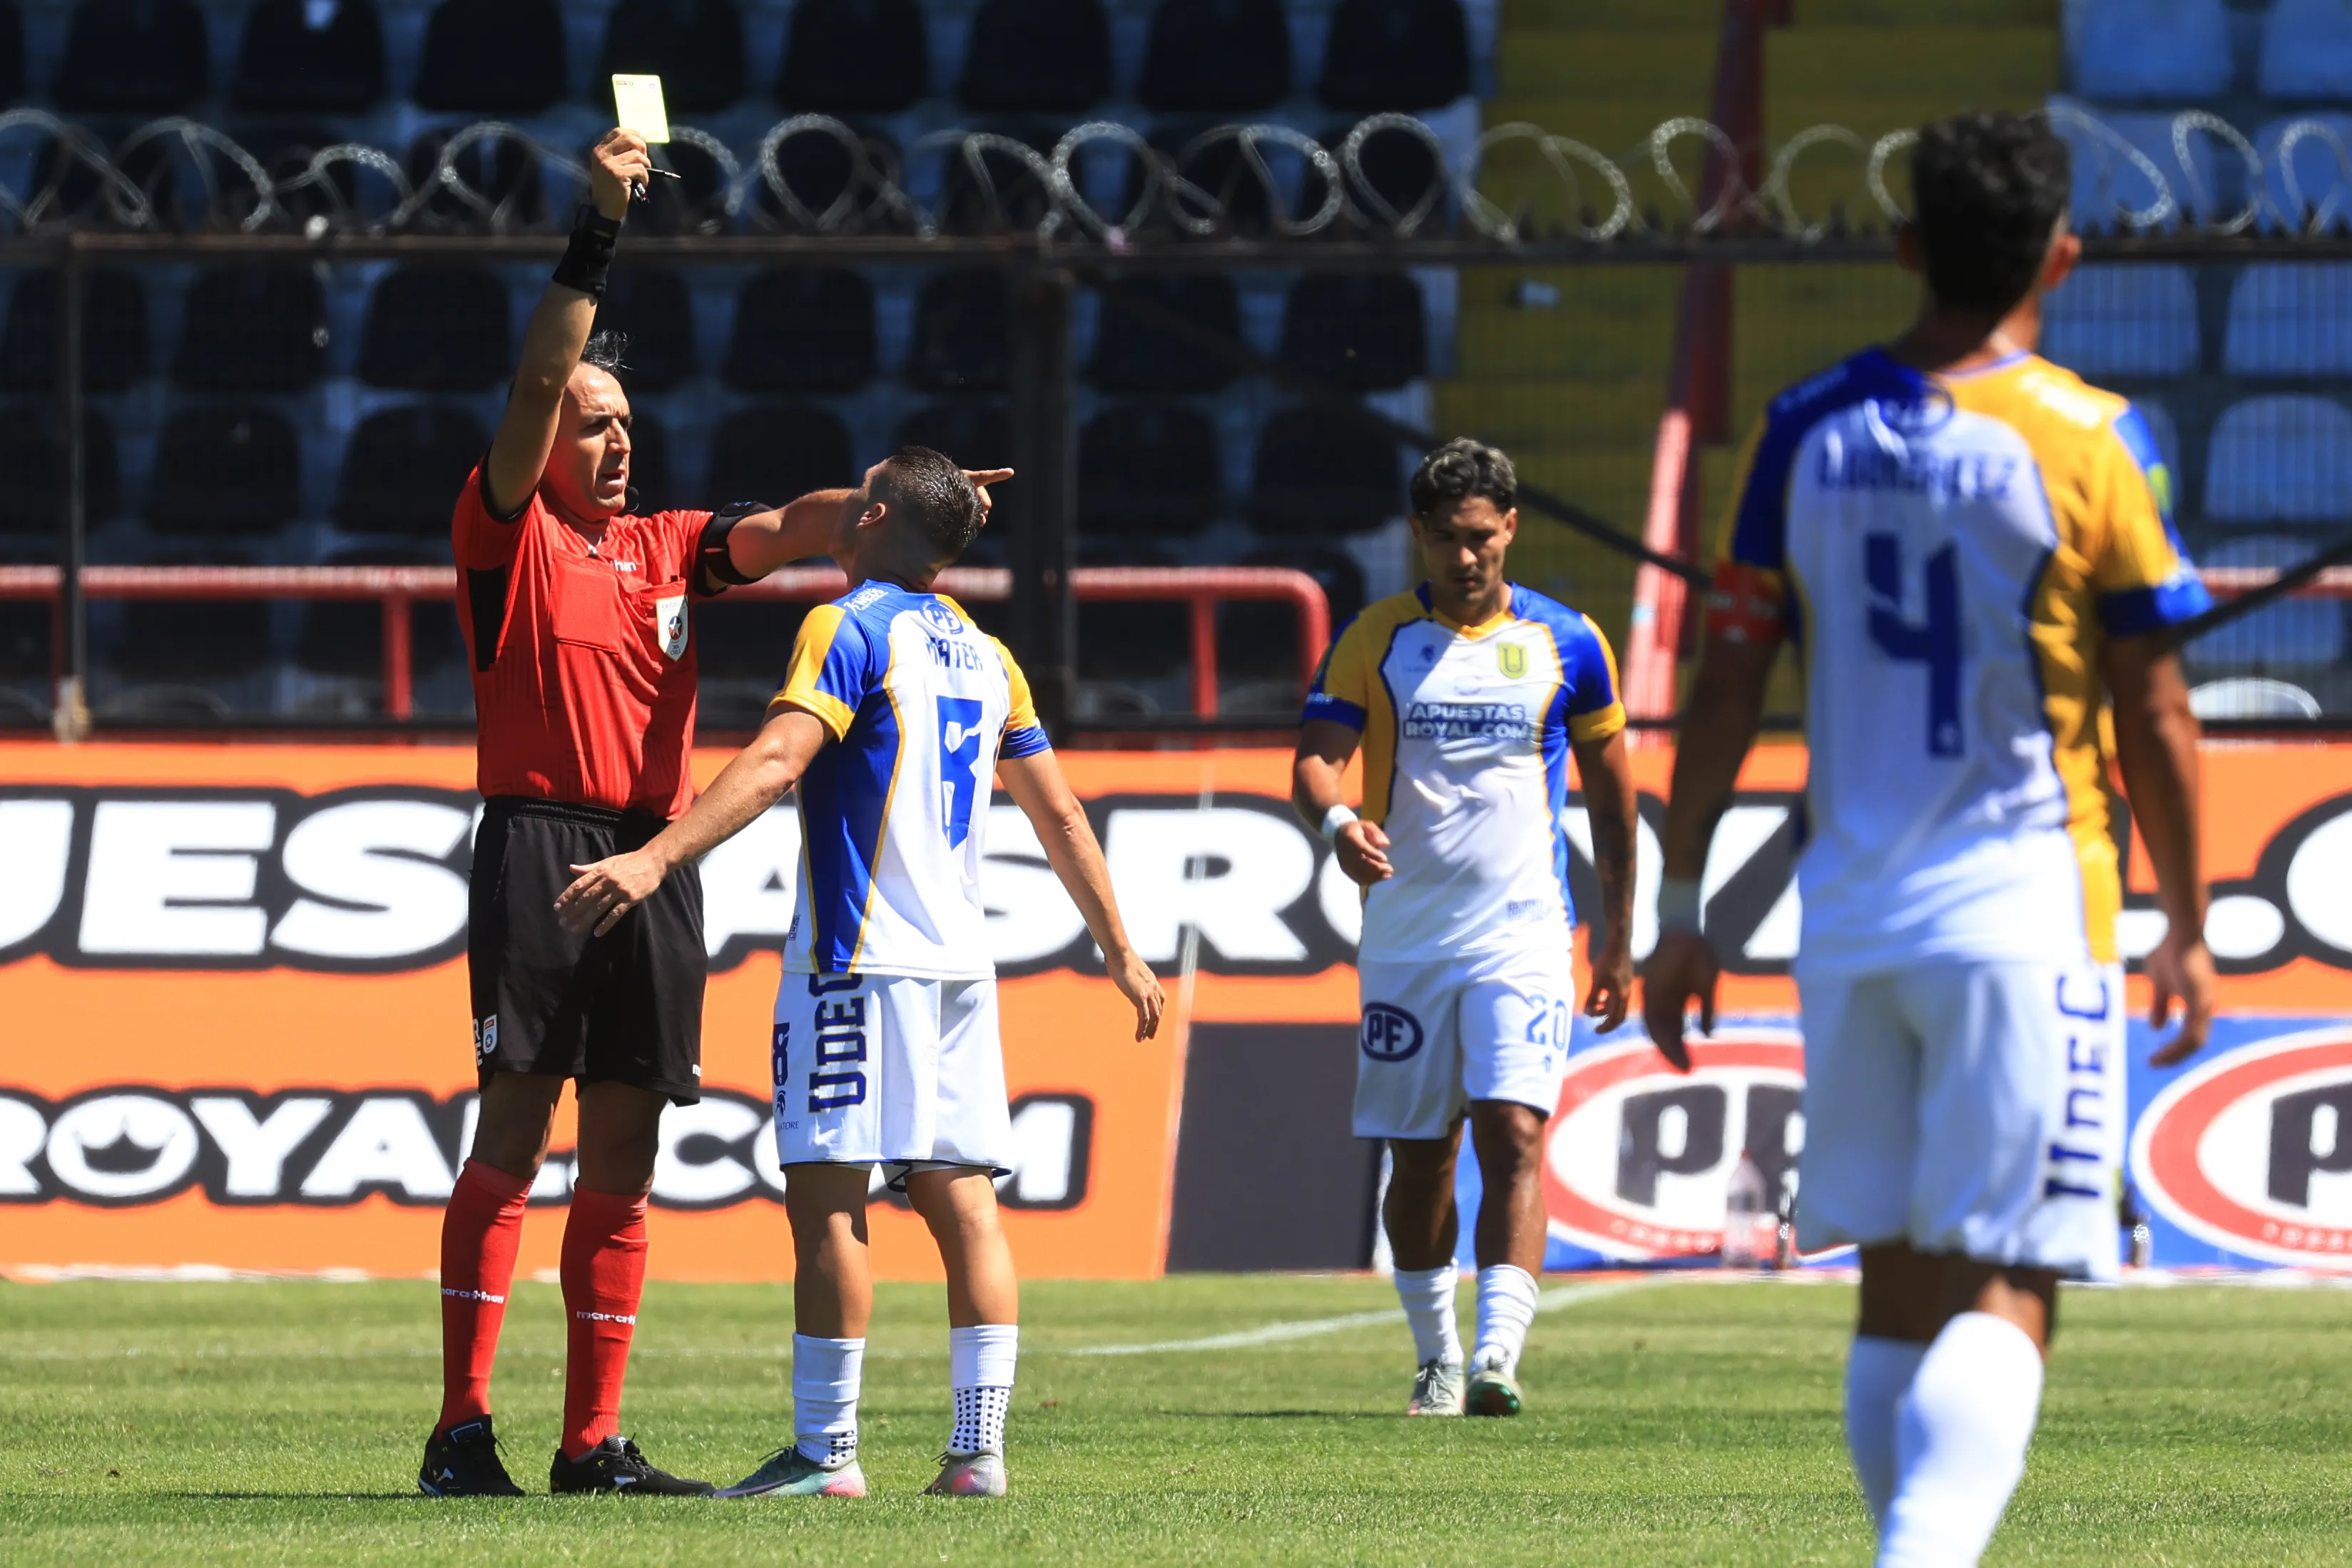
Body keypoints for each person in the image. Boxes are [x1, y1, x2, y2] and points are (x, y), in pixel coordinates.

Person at [1642, 111, 2216, 1568]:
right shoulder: (2090, 438)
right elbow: (2155, 712)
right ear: (2064, 258)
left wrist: (1681, 897)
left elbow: (1722, 679)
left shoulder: (1801, 425)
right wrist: (2189, 921)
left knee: (1895, 1284)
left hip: (1849, 919)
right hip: (2028, 907)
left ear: (1902, 247)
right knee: (2016, 1272)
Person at [419, 128, 1013, 1500]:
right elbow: (531, 374)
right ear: (546, 433)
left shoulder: (671, 541)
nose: (613, 436)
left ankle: (589, 1444)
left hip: (654, 856)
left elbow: (796, 529)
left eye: (625, 418)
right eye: (591, 418)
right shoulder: (505, 530)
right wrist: (597, 231)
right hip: (540, 842)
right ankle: (461, 1427)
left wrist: (889, 509)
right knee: (514, 1131)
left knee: (625, 1148)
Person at [554, 445, 1166, 1500]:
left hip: (856, 958)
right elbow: (1060, 810)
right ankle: (977, 1453)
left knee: (828, 1197)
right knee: (963, 1196)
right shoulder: (986, 652)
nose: (842, 504)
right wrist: (1120, 946)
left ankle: (825, 1452)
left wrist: (658, 855)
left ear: (875, 515)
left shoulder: (847, 626)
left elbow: (782, 757)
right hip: (960, 964)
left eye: (861, 492)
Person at [1292, 438, 1638, 1420]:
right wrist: (1337, 823)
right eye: (1446, 539)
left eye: (1481, 537)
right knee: (1421, 1155)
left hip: (1524, 933)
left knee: (1515, 1132)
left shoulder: (1570, 641)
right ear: (1418, 534)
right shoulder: (1376, 637)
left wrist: (1616, 937)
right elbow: (1316, 760)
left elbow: (1616, 805)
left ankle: (1496, 1355)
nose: (1465, 556)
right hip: (1405, 936)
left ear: (1512, 528)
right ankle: (1436, 1352)